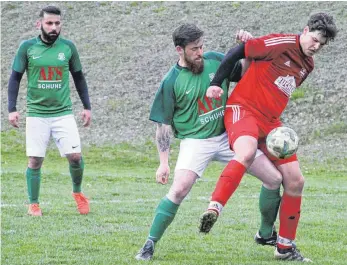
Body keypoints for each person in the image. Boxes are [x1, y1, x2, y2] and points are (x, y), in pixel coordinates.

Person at [135, 23, 283, 261]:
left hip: (228, 136)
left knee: (274, 178)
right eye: (194, 49)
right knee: (179, 189)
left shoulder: (215, 60)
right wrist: (163, 163)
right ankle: (149, 243)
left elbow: (243, 71)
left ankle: (265, 234)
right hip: (196, 141)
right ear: (179, 50)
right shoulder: (171, 81)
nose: (200, 52)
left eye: (202, 46)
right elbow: (162, 126)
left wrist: (244, 46)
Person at [199, 12, 337, 262]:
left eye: (321, 44)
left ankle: (284, 247)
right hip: (243, 110)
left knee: (295, 181)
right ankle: (214, 208)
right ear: (305, 31)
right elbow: (238, 51)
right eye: (314, 39)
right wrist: (216, 83)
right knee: (246, 151)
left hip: (271, 124)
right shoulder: (281, 43)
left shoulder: (308, 66)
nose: (316, 47)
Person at [7, 6, 92, 216]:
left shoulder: (68, 48)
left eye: (57, 23)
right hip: (37, 114)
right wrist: (12, 109)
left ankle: (78, 193)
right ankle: (33, 203)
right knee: (35, 160)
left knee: (75, 156)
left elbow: (79, 77)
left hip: (63, 113)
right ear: (40, 24)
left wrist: (87, 107)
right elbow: (15, 78)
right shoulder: (27, 48)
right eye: (49, 23)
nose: (54, 27)